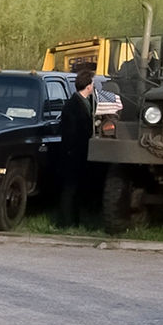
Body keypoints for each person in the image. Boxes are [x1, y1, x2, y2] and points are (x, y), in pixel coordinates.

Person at [57, 69, 97, 229]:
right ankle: (66, 222)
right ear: (88, 86)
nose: (94, 86)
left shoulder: (88, 102)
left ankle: (75, 220)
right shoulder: (72, 105)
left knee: (78, 188)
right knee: (70, 188)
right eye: (93, 83)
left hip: (81, 152)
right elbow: (71, 131)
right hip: (72, 152)